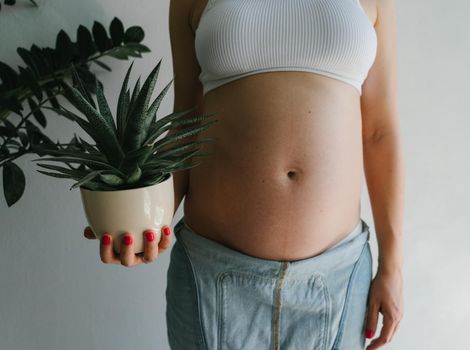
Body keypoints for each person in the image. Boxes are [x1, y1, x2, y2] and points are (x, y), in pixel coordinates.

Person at [83, 0, 404, 348]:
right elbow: (186, 124)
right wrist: (145, 221)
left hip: (338, 277)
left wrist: (393, 264)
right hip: (212, 273)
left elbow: (379, 132)